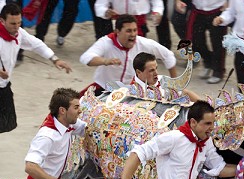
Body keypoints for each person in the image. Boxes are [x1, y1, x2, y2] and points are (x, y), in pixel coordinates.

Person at [0, 3, 72, 133]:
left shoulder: (19, 33)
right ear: (2, 21)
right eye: (12, 24)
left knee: (9, 123)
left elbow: (36, 44)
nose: (16, 27)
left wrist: (54, 59)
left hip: (4, 86)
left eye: (19, 23)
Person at [79, 14, 177, 96]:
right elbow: (86, 58)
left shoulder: (144, 43)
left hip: (131, 93)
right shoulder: (106, 42)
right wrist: (105, 61)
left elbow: (168, 56)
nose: (133, 34)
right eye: (128, 31)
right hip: (103, 90)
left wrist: (174, 86)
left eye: (135, 30)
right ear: (117, 32)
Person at [177, 0, 227, 84]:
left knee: (217, 43)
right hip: (197, 10)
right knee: (194, 41)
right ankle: (208, 62)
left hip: (217, 10)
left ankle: (218, 72)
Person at [94, 0, 164, 37]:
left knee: (139, 47)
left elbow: (157, 1)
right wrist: (105, 12)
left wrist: (157, 12)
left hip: (139, 21)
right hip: (119, 21)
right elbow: (100, 4)